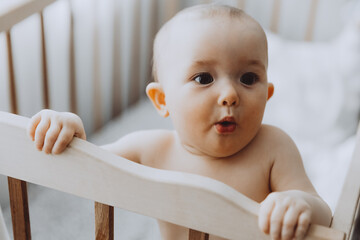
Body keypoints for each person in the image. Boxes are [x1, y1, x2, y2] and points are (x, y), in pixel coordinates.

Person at [27, 4, 332, 240]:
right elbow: (88, 166)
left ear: (267, 95)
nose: (229, 95)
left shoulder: (274, 148)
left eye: (248, 78)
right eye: (203, 78)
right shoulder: (150, 150)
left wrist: (297, 204)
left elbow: (325, 216)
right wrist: (68, 129)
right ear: (162, 101)